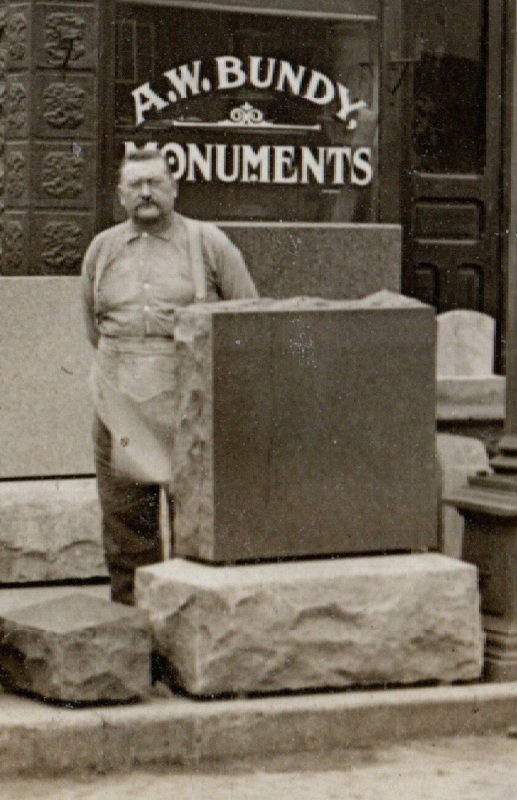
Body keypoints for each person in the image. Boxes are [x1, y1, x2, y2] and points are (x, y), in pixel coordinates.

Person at [81, 149, 258, 604]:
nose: (146, 193)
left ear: (174, 189)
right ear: (121, 195)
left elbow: (249, 321)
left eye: (155, 183)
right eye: (135, 185)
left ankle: (189, 650)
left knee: (197, 535)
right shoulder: (102, 251)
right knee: (126, 534)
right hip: (121, 413)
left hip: (192, 411)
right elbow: (93, 329)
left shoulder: (209, 244)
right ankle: (134, 645)